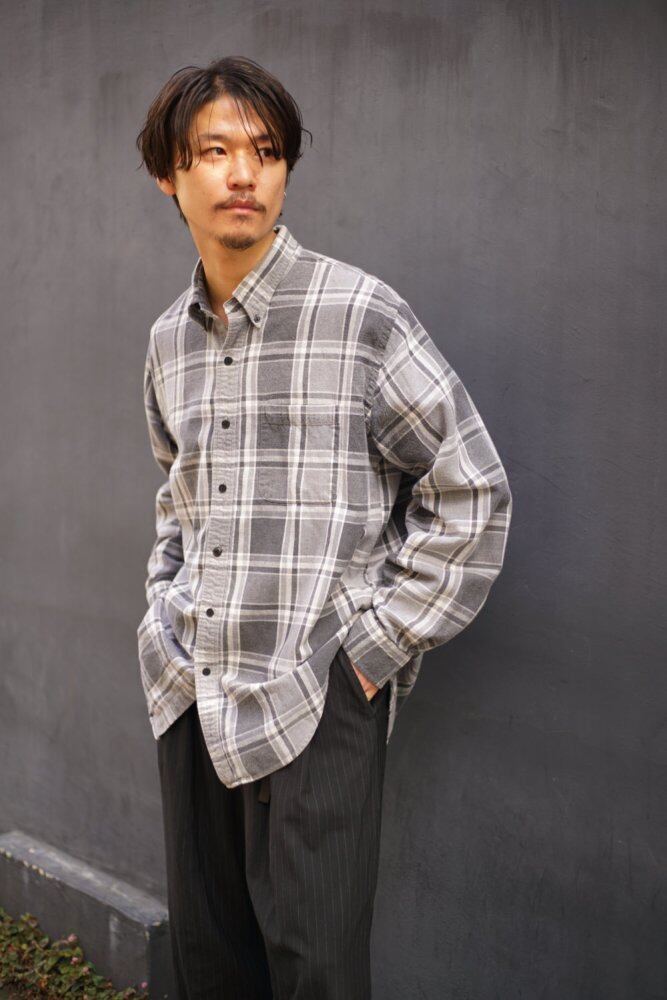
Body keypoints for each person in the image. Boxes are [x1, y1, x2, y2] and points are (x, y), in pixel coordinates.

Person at [135, 54, 512, 1000]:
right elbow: (177, 500)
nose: (243, 174)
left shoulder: (360, 315)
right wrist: (162, 614)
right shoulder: (168, 341)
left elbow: (470, 492)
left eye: (265, 152)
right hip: (193, 689)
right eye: (214, 151)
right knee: (209, 966)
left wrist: (367, 658)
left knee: (319, 975)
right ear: (169, 174)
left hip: (315, 696)